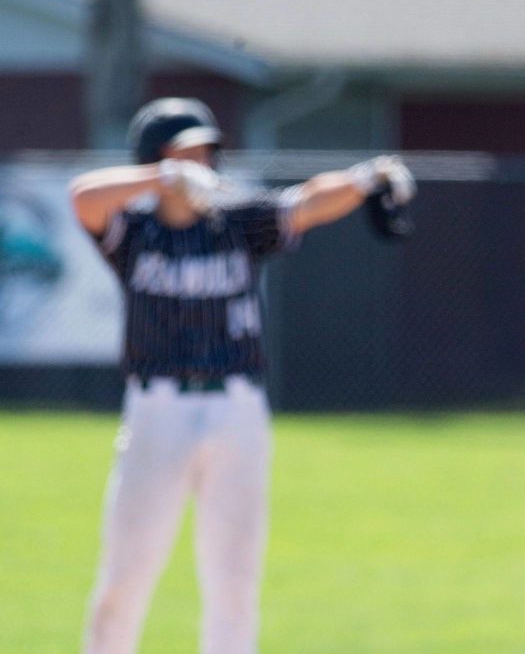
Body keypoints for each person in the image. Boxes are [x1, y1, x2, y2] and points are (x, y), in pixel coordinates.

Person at [71, 97, 415, 654]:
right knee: (123, 580)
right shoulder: (133, 233)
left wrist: (364, 177)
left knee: (233, 581)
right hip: (157, 411)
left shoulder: (235, 223)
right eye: (185, 152)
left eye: (205, 151)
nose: (200, 162)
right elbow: (82, 196)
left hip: (237, 412)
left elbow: (304, 203)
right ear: (153, 159)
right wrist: (160, 179)